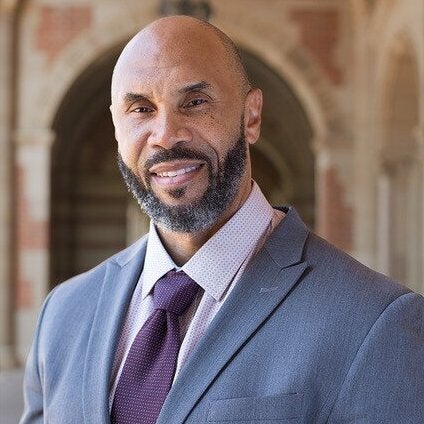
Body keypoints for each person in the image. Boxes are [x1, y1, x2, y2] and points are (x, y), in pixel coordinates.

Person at [21, 15, 424, 424]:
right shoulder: (62, 314)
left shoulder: (378, 323)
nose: (165, 134)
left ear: (251, 116)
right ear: (117, 127)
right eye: (141, 109)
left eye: (195, 102)